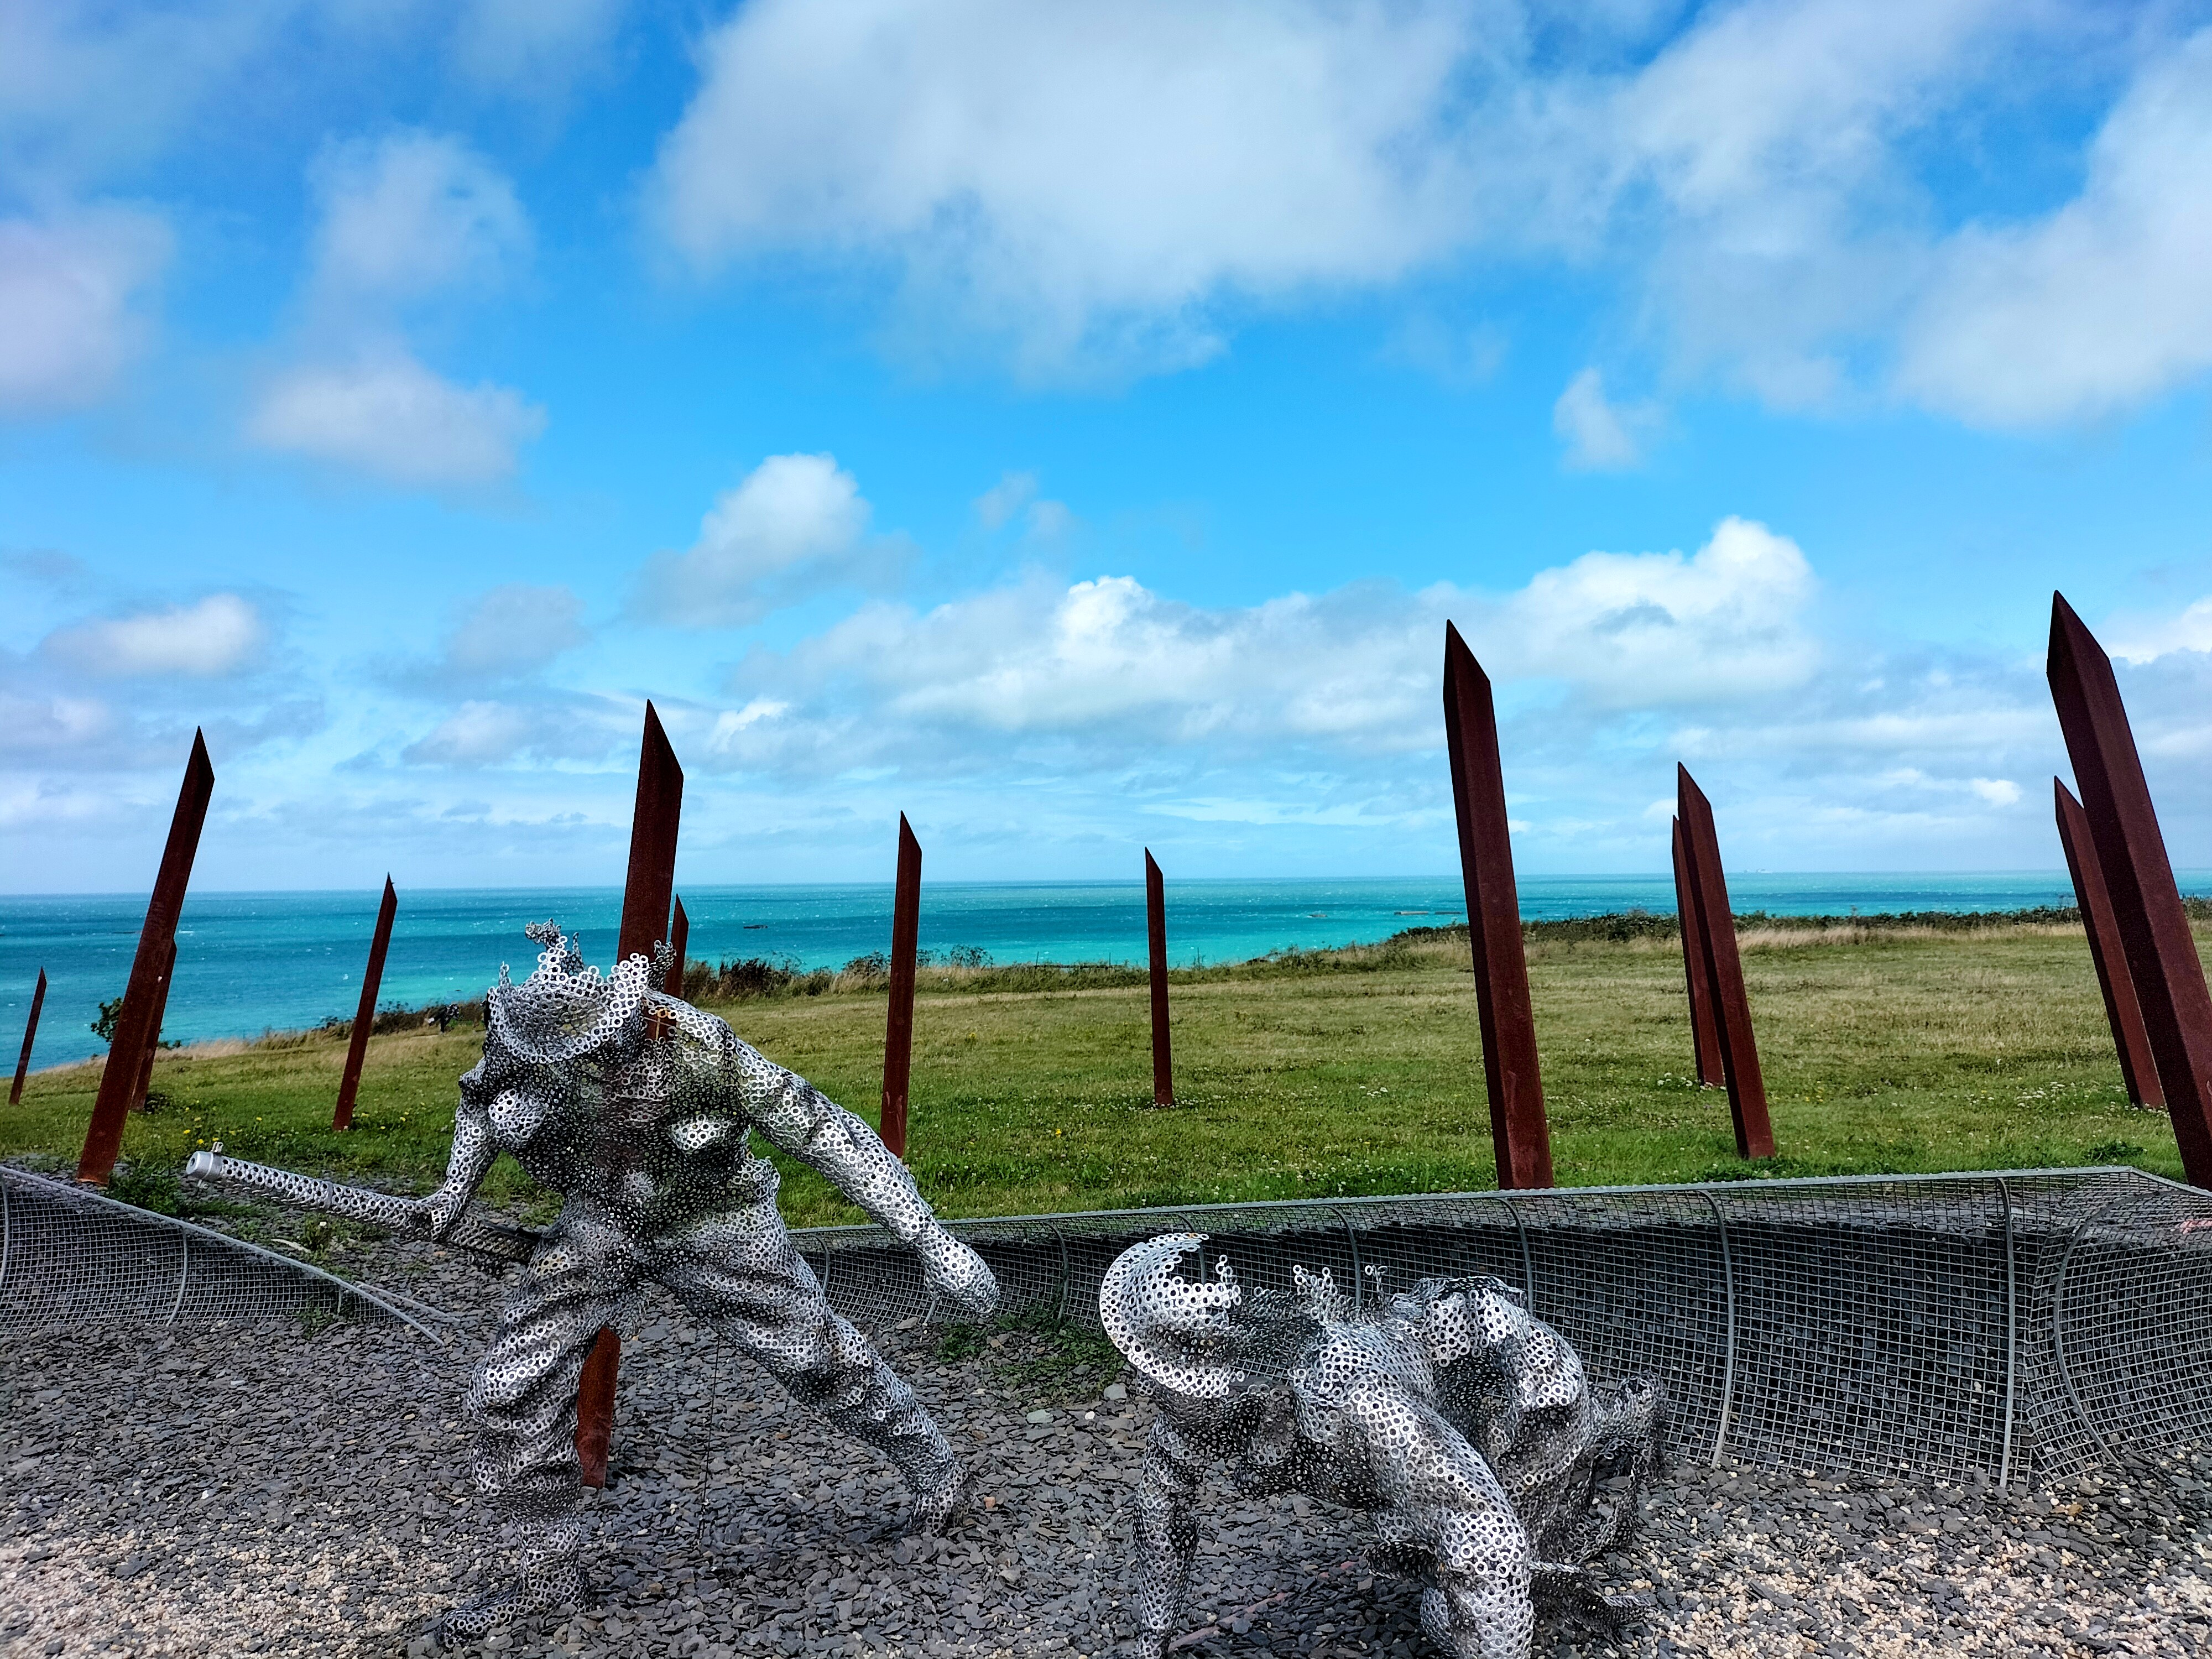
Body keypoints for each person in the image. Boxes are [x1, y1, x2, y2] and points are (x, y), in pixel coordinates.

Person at [423, 922, 998, 1643]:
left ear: (621, 1019)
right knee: (509, 1388)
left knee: (815, 1354)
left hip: (714, 1217)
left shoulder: (699, 1047)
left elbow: (823, 1130)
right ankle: (545, 1575)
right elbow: (480, 1102)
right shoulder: (528, 1037)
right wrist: (454, 1192)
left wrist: (928, 1238)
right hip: (602, 1217)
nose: (572, 1065)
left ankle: (933, 1468)